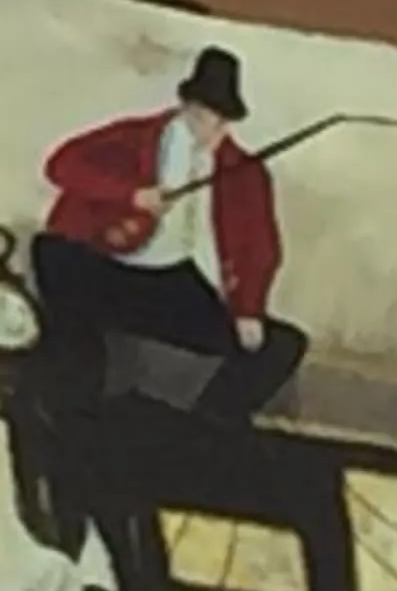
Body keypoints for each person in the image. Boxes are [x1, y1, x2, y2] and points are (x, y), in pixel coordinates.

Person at [31, 49, 308, 421]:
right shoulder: (137, 138)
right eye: (203, 116)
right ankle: (68, 417)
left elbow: (259, 248)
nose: (213, 130)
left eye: (222, 121)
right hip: (102, 268)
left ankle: (204, 430)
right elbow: (61, 164)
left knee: (281, 345)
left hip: (169, 287)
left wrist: (248, 309)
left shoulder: (243, 173)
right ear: (187, 106)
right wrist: (130, 194)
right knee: (57, 269)